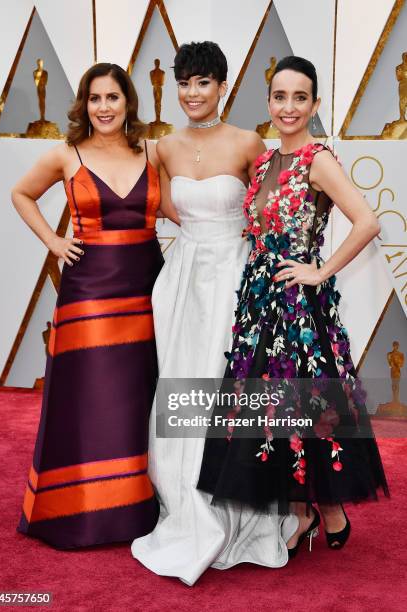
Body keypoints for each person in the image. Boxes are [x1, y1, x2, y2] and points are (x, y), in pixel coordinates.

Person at [198, 55, 389, 557]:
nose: (288, 107)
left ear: (315, 104)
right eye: (280, 97)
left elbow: (367, 221)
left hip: (300, 309)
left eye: (299, 97)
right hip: (260, 301)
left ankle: (328, 509)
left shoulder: (318, 160)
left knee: (308, 405)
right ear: (269, 102)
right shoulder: (263, 161)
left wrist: (320, 270)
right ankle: (302, 511)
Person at [131, 42, 297, 585]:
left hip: (234, 276)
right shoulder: (163, 147)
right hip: (182, 282)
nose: (192, 94)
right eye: (184, 83)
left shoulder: (249, 142)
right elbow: (152, 201)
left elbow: (274, 209)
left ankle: (240, 510)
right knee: (181, 382)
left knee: (228, 386)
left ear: (222, 86)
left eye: (203, 83)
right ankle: (185, 505)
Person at [13, 63, 164, 548]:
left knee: (140, 396)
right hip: (90, 291)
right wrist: (54, 242)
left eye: (113, 98)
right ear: (85, 104)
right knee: (92, 398)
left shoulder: (152, 153)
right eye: (95, 98)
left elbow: (180, 209)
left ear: (128, 103)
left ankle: (139, 507)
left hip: (147, 285)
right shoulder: (66, 154)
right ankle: (80, 511)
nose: (104, 107)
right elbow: (21, 194)